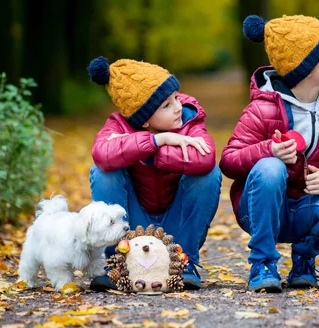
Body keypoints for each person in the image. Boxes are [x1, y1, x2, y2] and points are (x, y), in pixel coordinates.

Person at [220, 14, 319, 292]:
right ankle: (262, 263)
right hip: (259, 211)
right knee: (271, 167)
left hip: (306, 209)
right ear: (306, 67)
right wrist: (269, 150)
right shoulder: (262, 109)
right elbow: (228, 161)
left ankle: (304, 257)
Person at [86, 56, 221, 291]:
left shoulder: (190, 119)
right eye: (166, 105)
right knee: (103, 172)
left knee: (209, 174)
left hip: (176, 221)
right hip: (132, 222)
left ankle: (184, 261)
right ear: (144, 120)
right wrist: (158, 141)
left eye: (176, 97)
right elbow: (102, 154)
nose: (178, 106)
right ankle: (117, 261)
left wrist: (147, 152)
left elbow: (205, 157)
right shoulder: (118, 125)